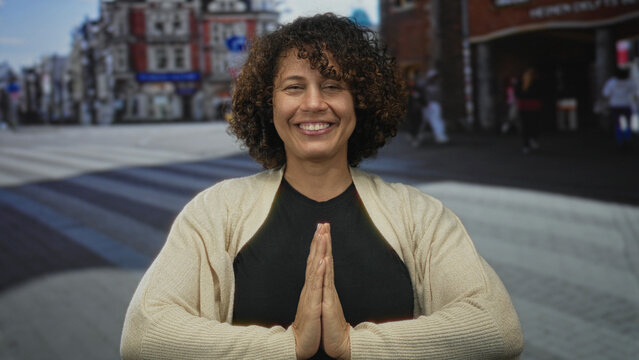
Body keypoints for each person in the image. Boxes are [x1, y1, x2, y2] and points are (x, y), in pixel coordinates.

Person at [121, 13, 523, 359]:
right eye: (294, 87)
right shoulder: (217, 211)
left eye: (332, 86)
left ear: (360, 100)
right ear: (269, 103)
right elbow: (144, 334)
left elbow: (497, 327)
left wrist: (353, 345)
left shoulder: (418, 214)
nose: (314, 103)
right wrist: (286, 347)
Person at [602, 66, 639, 148]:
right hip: (626, 105)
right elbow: (635, 93)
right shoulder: (629, 83)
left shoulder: (612, 82)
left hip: (615, 105)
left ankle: (620, 140)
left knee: (617, 124)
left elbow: (605, 94)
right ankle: (627, 137)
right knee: (627, 123)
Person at [516, 67, 543, 154]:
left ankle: (530, 141)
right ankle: (528, 142)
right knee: (528, 125)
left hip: (529, 106)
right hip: (528, 107)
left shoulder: (533, 83)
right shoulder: (522, 84)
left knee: (530, 125)